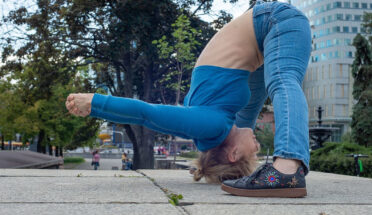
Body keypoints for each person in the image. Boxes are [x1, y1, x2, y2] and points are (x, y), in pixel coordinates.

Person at [65, 0, 310, 197]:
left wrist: (96, 104)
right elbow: (244, 120)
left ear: (233, 153)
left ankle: (288, 167)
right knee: (247, 116)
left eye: (253, 152)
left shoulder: (211, 124)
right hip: (264, 34)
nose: (258, 145)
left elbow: (146, 114)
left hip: (274, 20)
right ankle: (280, 171)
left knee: (282, 80)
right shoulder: (221, 120)